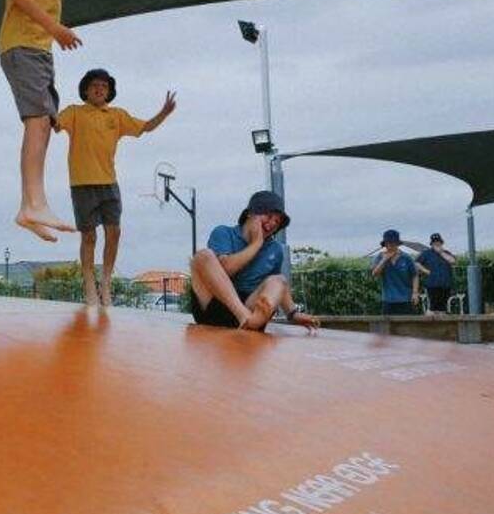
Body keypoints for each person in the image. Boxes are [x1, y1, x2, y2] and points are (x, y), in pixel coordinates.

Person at [0, 0, 93, 242]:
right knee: (37, 120)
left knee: (44, 122)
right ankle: (33, 203)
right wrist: (55, 29)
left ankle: (31, 206)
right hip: (24, 44)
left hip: (37, 49)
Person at [55, 68, 176, 305]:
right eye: (95, 85)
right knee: (88, 236)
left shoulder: (117, 115)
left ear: (109, 91)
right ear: (86, 90)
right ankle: (89, 285)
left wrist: (164, 113)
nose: (100, 89)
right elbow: (55, 124)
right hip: (82, 184)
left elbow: (145, 127)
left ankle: (106, 283)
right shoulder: (74, 112)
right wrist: (46, 101)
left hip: (109, 183)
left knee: (114, 232)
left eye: (104, 86)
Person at [187, 191, 320, 332]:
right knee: (203, 256)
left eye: (277, 221)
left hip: (250, 307)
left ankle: (254, 321)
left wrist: (293, 314)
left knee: (279, 280)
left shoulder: (275, 250)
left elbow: (279, 286)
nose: (272, 224)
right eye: (269, 216)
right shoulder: (223, 233)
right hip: (214, 305)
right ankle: (244, 317)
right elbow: (226, 269)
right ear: (250, 213)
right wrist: (256, 244)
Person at [370, 229, 424, 315]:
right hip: (388, 300)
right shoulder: (379, 257)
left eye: (393, 243)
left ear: (397, 244)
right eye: (388, 243)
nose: (390, 246)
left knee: (407, 326)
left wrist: (415, 293)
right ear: (385, 244)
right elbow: (375, 274)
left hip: (406, 299)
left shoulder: (406, 258)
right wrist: (384, 260)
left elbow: (415, 275)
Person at [417, 232, 458, 314]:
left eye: (438, 242)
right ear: (431, 244)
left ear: (441, 243)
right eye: (434, 243)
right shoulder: (426, 253)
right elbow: (416, 263)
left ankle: (442, 324)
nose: (436, 244)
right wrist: (426, 271)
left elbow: (453, 261)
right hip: (432, 284)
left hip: (446, 284)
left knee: (443, 308)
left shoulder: (446, 253)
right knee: (433, 307)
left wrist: (441, 253)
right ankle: (430, 323)